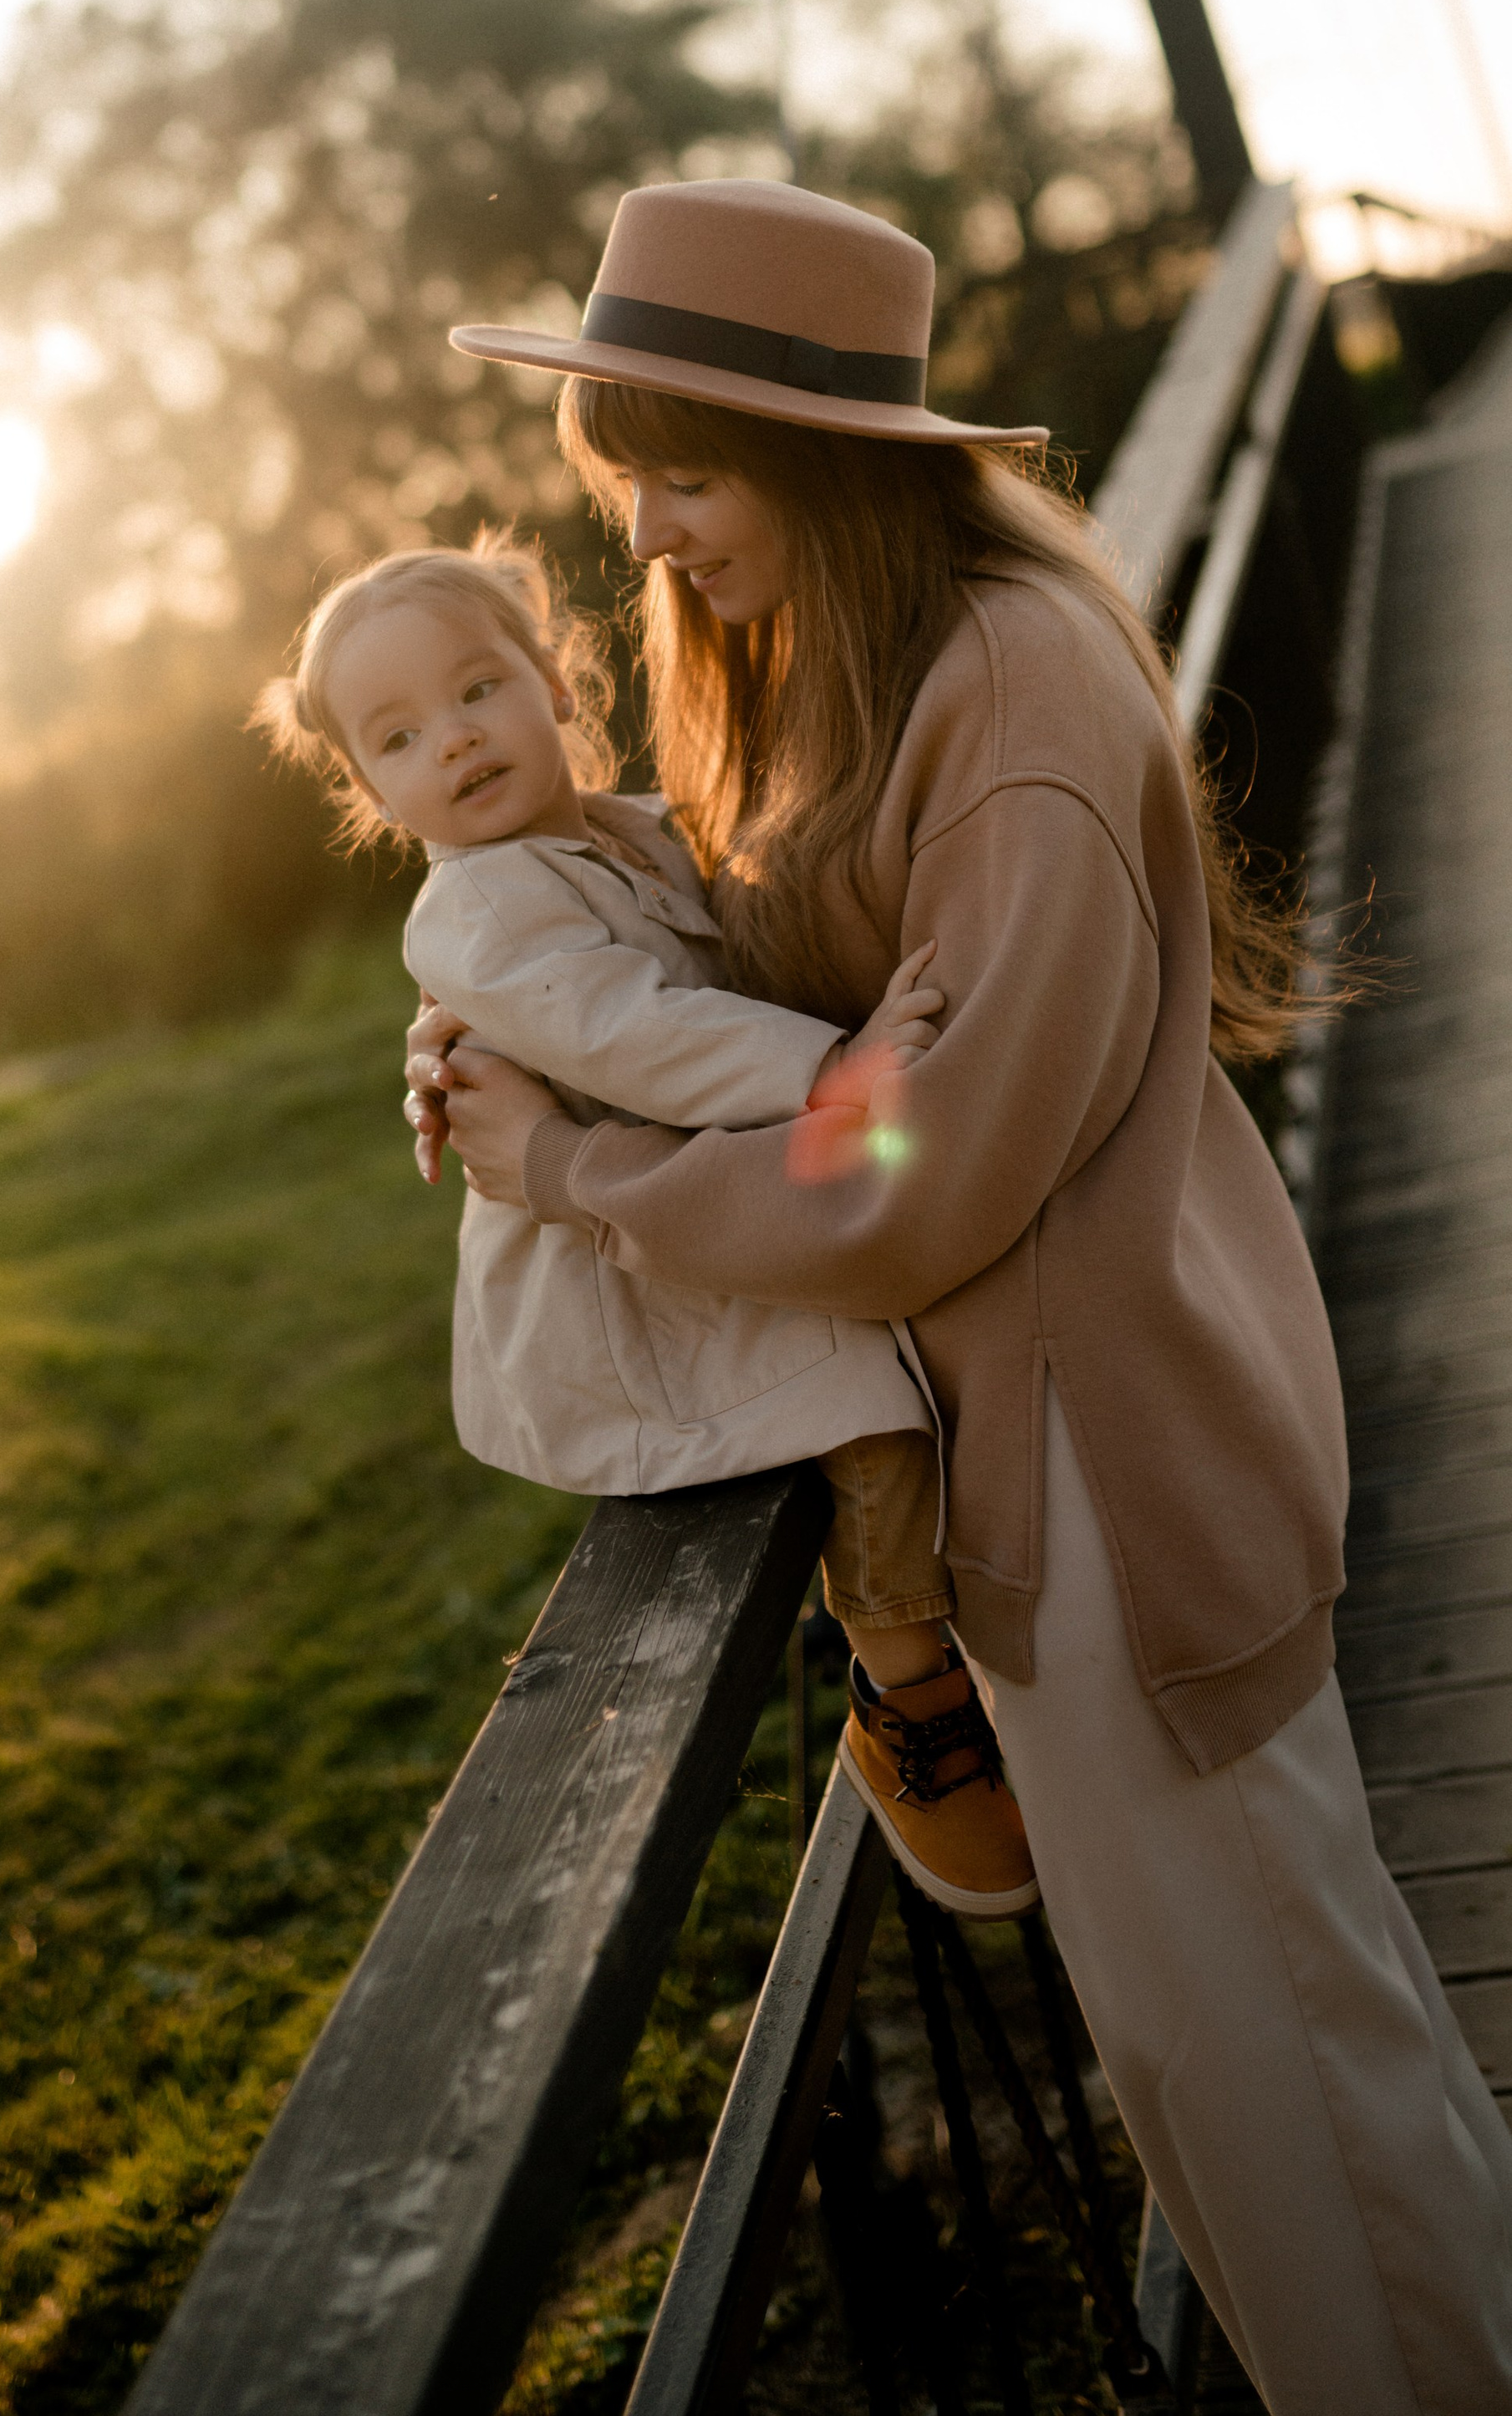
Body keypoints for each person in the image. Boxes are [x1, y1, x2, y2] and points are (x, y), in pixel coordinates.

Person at [409, 176, 1512, 2416]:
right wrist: (523, 983)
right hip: (1059, 1470)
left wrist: (581, 1167)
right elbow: (802, 986)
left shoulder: (1008, 695)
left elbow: (902, 1155)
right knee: (1278, 2077)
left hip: (1113, 1483)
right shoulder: (871, 658)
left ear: (821, 453)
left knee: (1298, 2111)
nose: (649, 541)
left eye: (683, 477)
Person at [254, 528, 1037, 1913]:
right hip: (637, 1288)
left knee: (909, 1338)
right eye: (399, 734)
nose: (456, 737)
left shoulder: (622, 824)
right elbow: (636, 1033)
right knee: (860, 1402)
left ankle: (995, 1649)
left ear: (556, 680)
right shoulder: (477, 915)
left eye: (480, 686)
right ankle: (910, 1700)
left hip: (707, 1208)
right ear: (369, 791)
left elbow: (736, 917)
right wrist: (831, 1071)